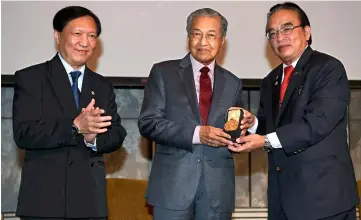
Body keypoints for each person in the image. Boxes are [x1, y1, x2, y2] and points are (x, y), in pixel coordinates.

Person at [230, 2, 360, 220]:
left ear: (307, 32)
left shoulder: (328, 68)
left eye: (287, 28)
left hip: (323, 200)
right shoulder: (270, 80)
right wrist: (252, 124)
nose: (280, 37)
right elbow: (269, 127)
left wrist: (264, 141)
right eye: (272, 33)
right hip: (282, 199)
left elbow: (317, 124)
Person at [138, 8, 255, 220]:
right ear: (188, 37)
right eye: (197, 33)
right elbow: (148, 123)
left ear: (222, 41)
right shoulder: (163, 72)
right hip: (172, 189)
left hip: (217, 191)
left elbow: (234, 134)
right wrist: (196, 134)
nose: (203, 42)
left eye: (211, 35)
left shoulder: (233, 83)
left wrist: (240, 137)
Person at [12, 6, 127, 220]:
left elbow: (117, 133)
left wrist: (94, 139)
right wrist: (75, 127)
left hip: (89, 203)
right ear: (57, 35)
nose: (85, 42)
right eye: (77, 34)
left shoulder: (101, 85)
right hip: (45, 202)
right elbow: (24, 133)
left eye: (92, 36)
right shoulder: (31, 78)